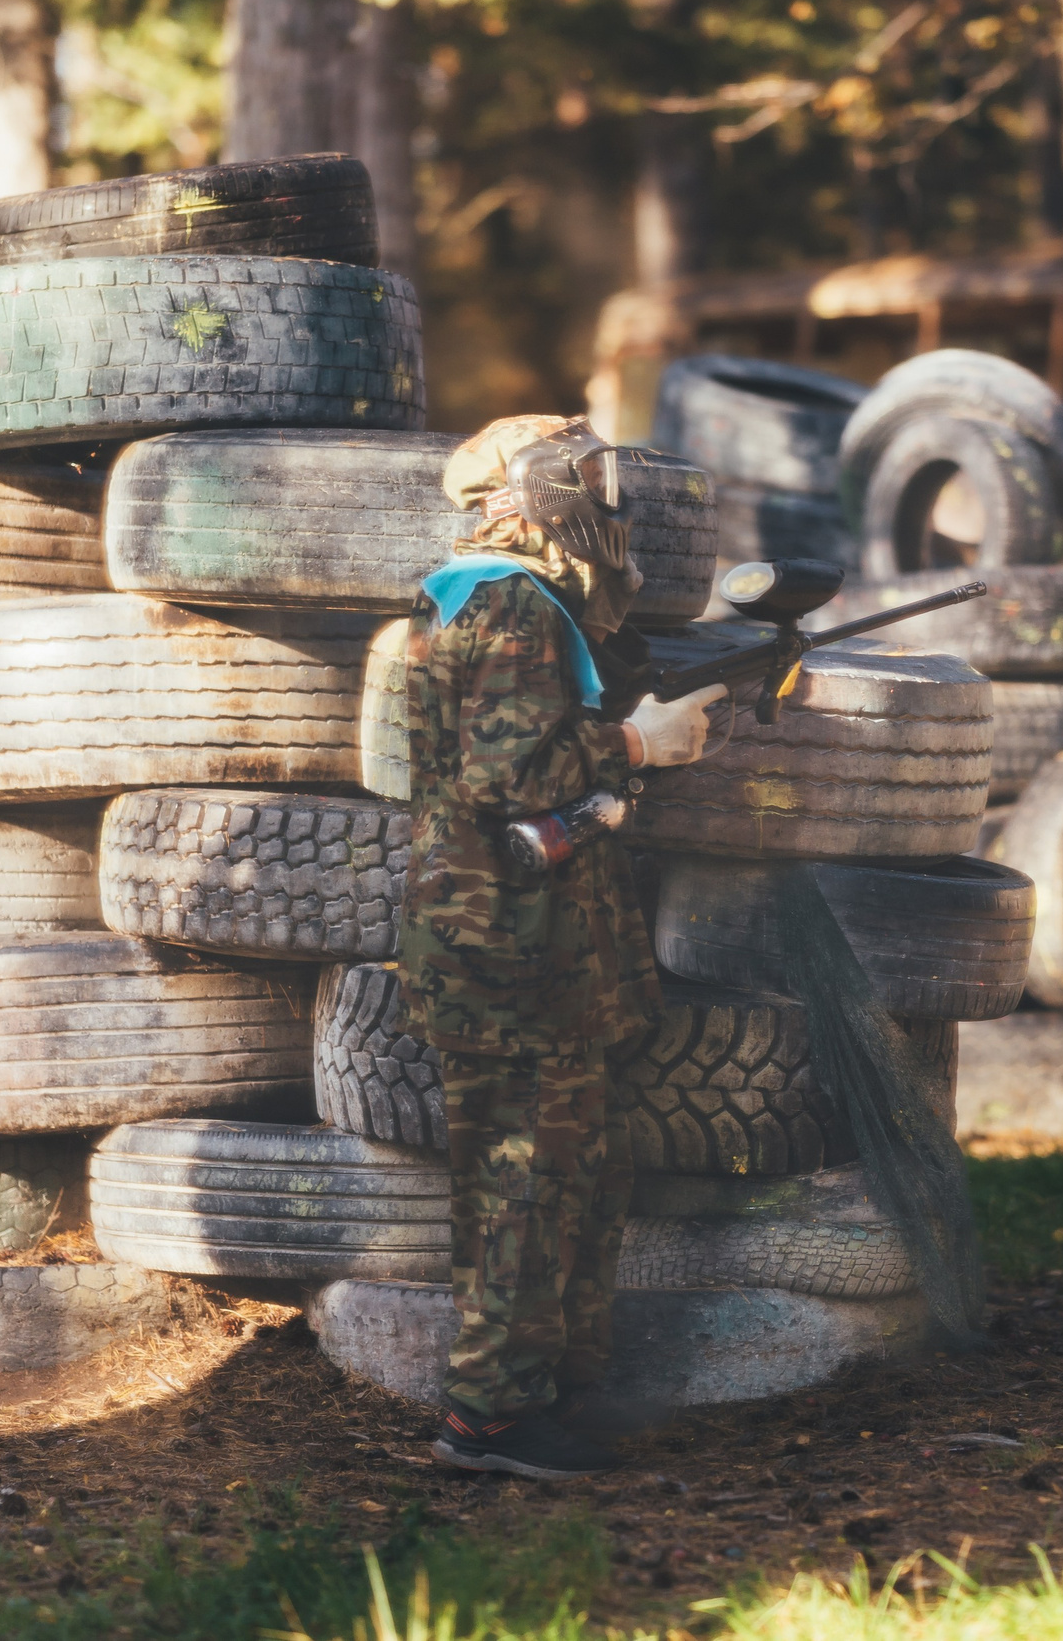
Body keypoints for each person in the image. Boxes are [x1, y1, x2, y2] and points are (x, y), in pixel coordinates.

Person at [400, 413, 725, 1481]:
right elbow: (511, 772)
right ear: (531, 493)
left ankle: (543, 1398)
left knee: (571, 1174)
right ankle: (487, 1419)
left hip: (533, 949)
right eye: (586, 475)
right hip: (503, 955)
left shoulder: (519, 605)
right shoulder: (505, 602)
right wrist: (641, 742)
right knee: (522, 1186)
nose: (607, 495)